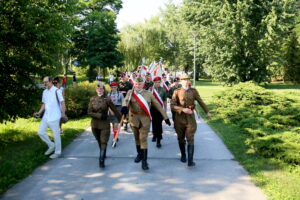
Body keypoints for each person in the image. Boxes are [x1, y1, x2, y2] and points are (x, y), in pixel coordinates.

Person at [121, 77, 171, 170]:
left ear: (143, 85)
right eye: (136, 84)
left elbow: (158, 106)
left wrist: (166, 117)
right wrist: (124, 106)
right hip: (134, 119)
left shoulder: (148, 94)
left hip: (145, 119)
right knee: (137, 138)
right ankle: (139, 154)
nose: (138, 86)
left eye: (140, 84)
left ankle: (144, 162)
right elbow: (126, 100)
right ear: (134, 84)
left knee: (143, 139)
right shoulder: (130, 92)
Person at [171, 74, 212, 166]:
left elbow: (200, 101)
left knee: (190, 138)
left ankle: (190, 160)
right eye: (184, 79)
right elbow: (172, 105)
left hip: (190, 119)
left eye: (187, 79)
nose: (186, 81)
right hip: (179, 119)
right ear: (181, 81)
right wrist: (182, 109)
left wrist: (207, 112)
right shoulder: (176, 92)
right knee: (180, 138)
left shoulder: (193, 91)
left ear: (189, 81)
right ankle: (183, 155)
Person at [88, 82, 121, 168]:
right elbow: (89, 112)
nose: (100, 90)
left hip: (105, 124)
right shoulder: (92, 99)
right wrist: (99, 115)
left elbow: (115, 110)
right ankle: (103, 153)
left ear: (104, 90)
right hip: (95, 125)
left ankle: (101, 160)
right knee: (99, 141)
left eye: (102, 88)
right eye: (98, 88)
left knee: (103, 141)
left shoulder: (107, 99)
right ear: (96, 90)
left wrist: (121, 119)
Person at [34, 76, 66, 159]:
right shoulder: (44, 92)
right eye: (43, 82)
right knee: (40, 132)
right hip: (46, 116)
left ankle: (58, 152)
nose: (44, 83)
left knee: (56, 135)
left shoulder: (57, 91)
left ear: (51, 81)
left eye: (46, 82)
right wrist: (39, 112)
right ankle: (51, 145)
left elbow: (62, 103)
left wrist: (63, 114)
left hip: (55, 116)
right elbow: (44, 104)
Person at [150, 76, 168, 148]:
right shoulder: (151, 89)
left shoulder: (163, 90)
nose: (157, 83)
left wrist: (165, 109)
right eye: (156, 82)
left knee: (159, 124)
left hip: (160, 109)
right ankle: (154, 134)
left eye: (158, 82)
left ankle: (159, 140)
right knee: (154, 123)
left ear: (160, 82)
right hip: (152, 109)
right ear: (153, 82)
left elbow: (165, 100)